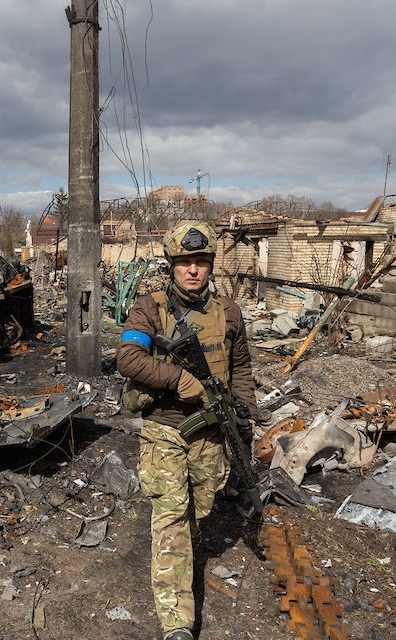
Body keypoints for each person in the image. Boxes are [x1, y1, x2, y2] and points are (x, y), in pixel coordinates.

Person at [116, 220, 258, 640]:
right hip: (165, 428)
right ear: (172, 266)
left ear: (211, 265)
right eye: (184, 263)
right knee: (171, 517)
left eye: (200, 262)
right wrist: (179, 381)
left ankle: (178, 562)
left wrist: (245, 409)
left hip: (212, 432)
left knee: (199, 512)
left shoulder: (229, 312)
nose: (193, 270)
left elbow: (241, 366)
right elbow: (127, 358)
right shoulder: (150, 306)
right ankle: (177, 622)